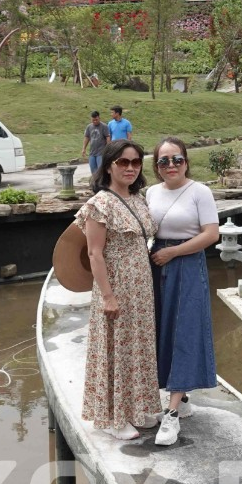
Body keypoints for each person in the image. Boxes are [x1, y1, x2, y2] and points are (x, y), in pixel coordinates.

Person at [74, 139, 161, 440]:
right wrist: (108, 296)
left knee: (139, 346)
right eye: (123, 162)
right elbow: (94, 254)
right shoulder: (99, 204)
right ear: (109, 165)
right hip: (116, 286)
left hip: (141, 287)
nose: (130, 168)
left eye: (136, 162)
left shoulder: (139, 199)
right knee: (117, 348)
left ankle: (139, 408)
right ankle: (114, 417)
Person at [146, 137, 221, 446]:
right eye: (164, 161)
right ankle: (182, 395)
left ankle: (172, 412)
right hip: (156, 265)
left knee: (185, 331)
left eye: (176, 159)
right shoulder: (151, 192)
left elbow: (211, 234)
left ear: (186, 161)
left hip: (187, 265)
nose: (171, 166)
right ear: (157, 167)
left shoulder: (199, 192)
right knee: (160, 331)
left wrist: (174, 253)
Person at [83, 110, 109, 176]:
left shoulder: (104, 126)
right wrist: (84, 148)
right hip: (92, 152)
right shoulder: (89, 127)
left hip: (101, 152)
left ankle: (101, 184)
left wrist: (108, 149)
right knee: (93, 170)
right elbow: (87, 137)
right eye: (93, 120)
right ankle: (95, 184)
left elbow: (108, 138)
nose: (95, 121)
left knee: (100, 170)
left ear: (99, 118)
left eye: (96, 120)